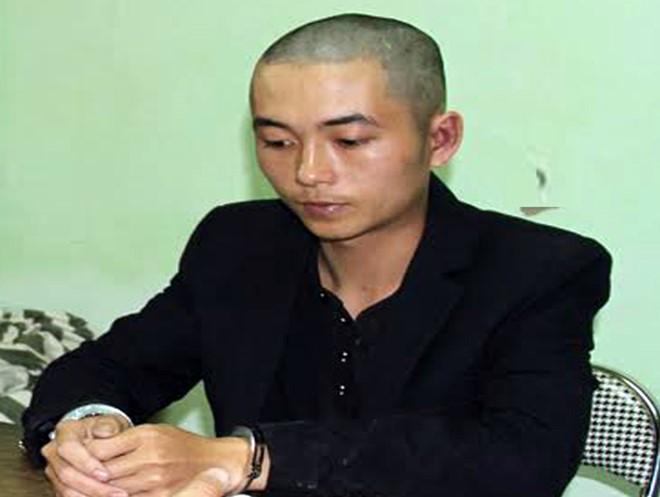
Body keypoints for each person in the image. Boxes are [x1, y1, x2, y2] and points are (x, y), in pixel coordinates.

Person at [22, 13, 611, 497]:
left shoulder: (537, 270)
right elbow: (106, 369)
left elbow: (520, 461)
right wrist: (88, 431)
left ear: (440, 139)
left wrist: (249, 458)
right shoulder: (239, 245)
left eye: (349, 141)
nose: (308, 172)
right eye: (277, 141)